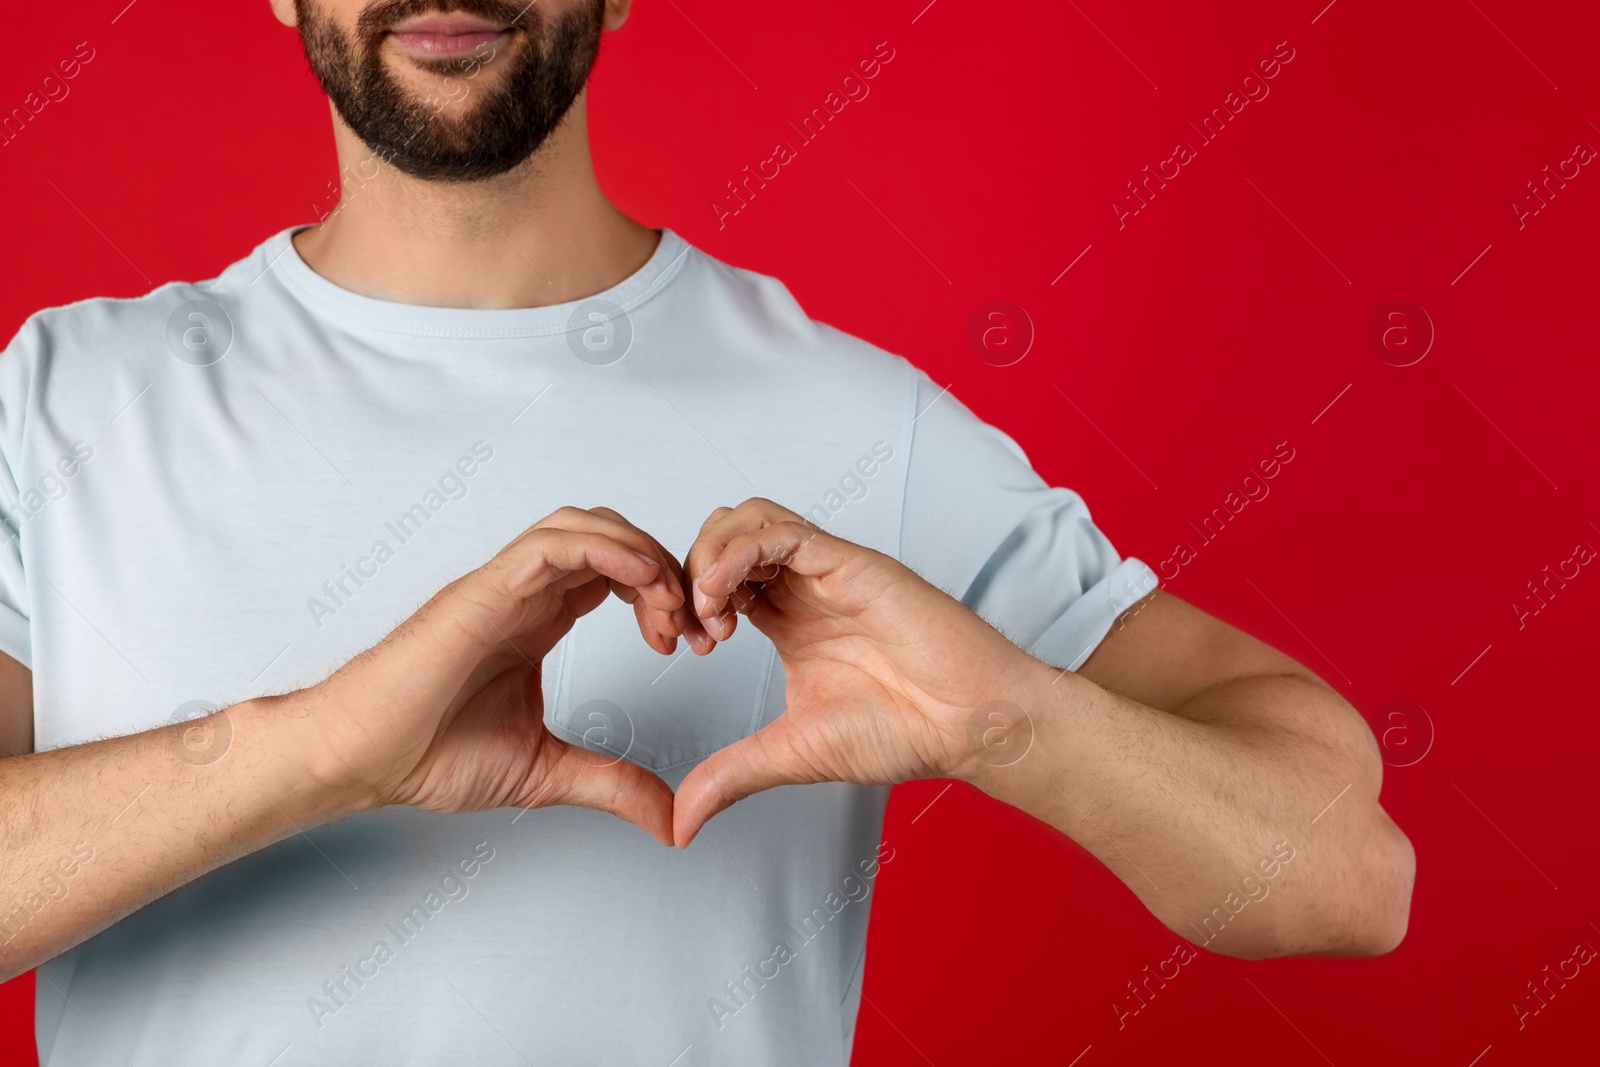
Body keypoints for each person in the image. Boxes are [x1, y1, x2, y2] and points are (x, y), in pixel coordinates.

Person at [0, 1, 1415, 1063]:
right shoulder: (61, 399)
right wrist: (322, 748)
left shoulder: (862, 423)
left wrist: (1005, 715)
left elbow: (1351, 874)